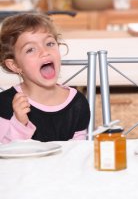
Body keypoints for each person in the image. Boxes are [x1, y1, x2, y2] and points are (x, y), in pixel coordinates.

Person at [0, 12, 90, 143]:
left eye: (49, 44)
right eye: (30, 49)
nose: (44, 52)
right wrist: (19, 123)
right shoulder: (5, 103)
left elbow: (77, 153)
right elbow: (4, 155)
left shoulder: (77, 103)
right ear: (14, 65)